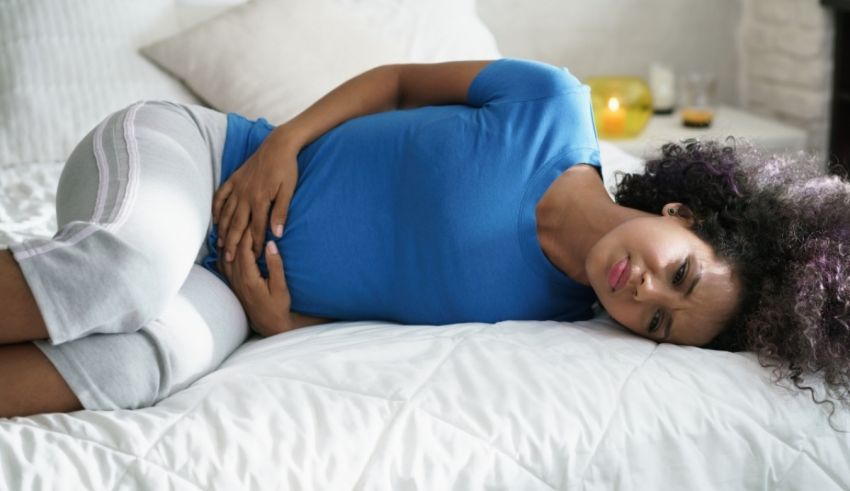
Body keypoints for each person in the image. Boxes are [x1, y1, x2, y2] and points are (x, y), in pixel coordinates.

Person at [0, 59, 846, 422]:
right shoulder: (552, 107)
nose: (645, 293)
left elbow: (392, 310)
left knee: (137, 366)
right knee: (127, 268)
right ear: (683, 215)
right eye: (680, 274)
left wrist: (282, 325)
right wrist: (281, 145)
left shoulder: (550, 320)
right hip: (205, 156)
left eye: (660, 322)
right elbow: (398, 81)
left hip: (228, 283)